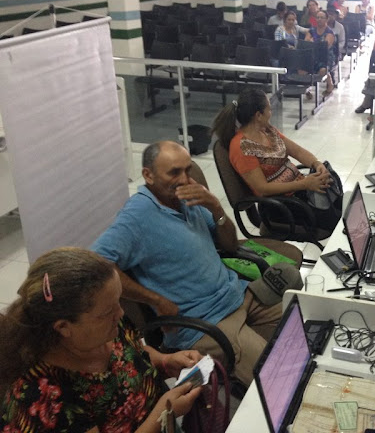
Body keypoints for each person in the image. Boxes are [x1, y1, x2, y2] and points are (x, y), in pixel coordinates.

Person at [91, 140, 302, 387]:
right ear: (148, 175)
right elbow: (97, 266)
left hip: (238, 294)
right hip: (204, 322)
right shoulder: (136, 216)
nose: (184, 180)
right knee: (279, 378)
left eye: (187, 170)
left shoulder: (186, 199)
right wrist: (155, 300)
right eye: (174, 172)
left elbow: (230, 245)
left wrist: (215, 207)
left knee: (305, 320)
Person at [0, 247, 203, 432]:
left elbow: (133, 353)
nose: (120, 313)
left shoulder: (108, 324)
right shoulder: (44, 399)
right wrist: (163, 414)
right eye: (108, 311)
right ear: (63, 327)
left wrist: (165, 361)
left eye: (118, 301)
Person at [212, 88, 341, 233]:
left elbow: (297, 151)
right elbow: (262, 189)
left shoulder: (267, 130)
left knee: (340, 203)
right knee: (336, 219)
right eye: (269, 109)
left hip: (298, 192)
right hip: (278, 206)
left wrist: (316, 163)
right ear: (258, 115)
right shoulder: (241, 147)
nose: (271, 112)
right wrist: (304, 184)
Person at [304, 9, 336, 96]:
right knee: (302, 70)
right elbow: (306, 43)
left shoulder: (329, 32)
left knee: (322, 70)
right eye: (317, 17)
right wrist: (316, 44)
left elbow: (325, 47)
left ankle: (330, 84)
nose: (319, 19)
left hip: (325, 57)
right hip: (312, 55)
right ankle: (307, 89)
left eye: (322, 18)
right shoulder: (311, 30)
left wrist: (313, 42)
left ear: (326, 19)